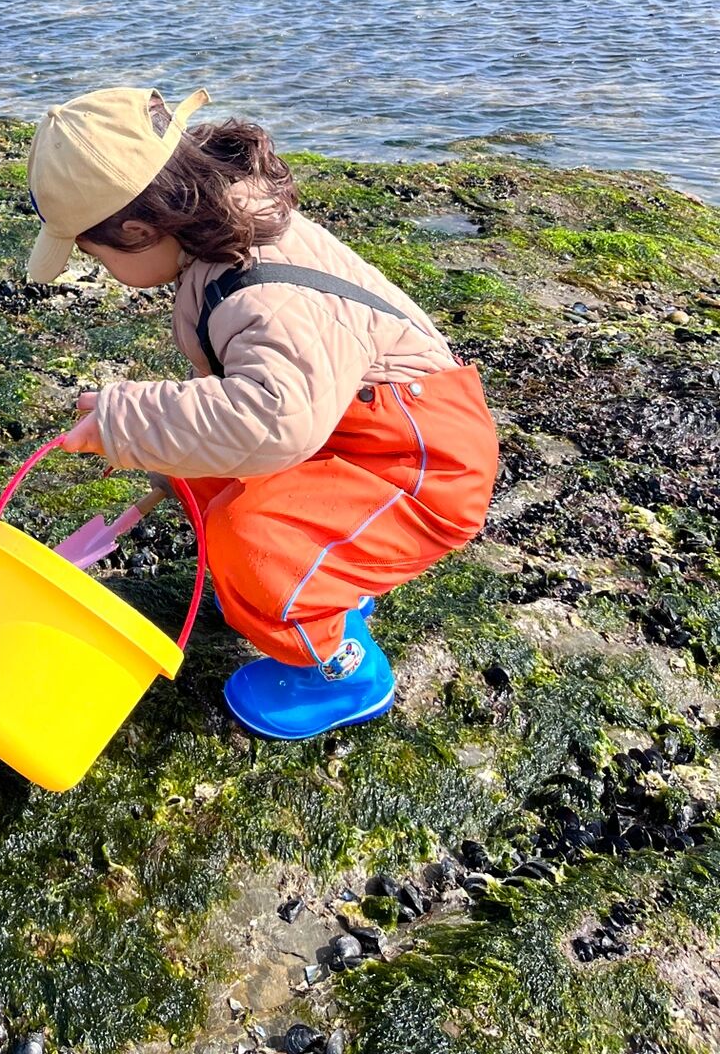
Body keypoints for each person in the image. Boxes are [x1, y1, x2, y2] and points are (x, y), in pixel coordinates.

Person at [25, 86, 498, 741]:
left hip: (423, 464)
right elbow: (261, 405)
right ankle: (319, 577)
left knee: (252, 542)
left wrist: (129, 423)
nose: (99, 269)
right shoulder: (222, 231)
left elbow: (275, 419)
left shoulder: (257, 292)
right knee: (204, 480)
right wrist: (172, 459)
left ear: (137, 232)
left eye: (94, 255)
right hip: (353, 428)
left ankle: (342, 671)